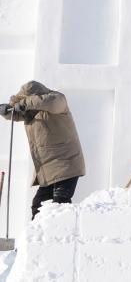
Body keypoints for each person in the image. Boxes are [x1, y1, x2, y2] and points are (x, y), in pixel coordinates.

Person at [0, 81, 85, 219]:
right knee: (38, 206)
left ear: (37, 96)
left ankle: (63, 237)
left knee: (59, 204)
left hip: (67, 165)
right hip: (49, 171)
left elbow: (49, 102)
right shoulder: (31, 113)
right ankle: (38, 238)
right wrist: (7, 109)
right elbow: (15, 113)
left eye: (27, 101)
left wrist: (24, 103)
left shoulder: (58, 101)